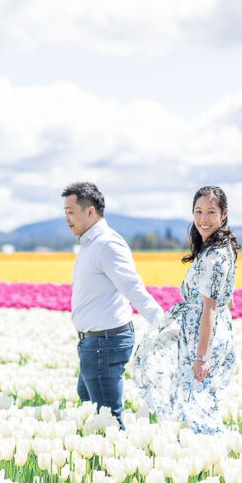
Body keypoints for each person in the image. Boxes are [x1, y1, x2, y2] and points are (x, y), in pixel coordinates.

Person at [133, 186, 239, 434]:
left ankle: (209, 457)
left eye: (211, 212)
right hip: (207, 334)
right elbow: (228, 300)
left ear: (224, 214)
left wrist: (201, 357)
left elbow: (209, 309)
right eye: (198, 211)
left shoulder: (215, 255)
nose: (203, 219)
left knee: (198, 409)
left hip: (203, 341)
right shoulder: (217, 249)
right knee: (200, 404)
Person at [63, 182, 164, 428]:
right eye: (64, 212)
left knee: (107, 421)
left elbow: (133, 287)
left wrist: (162, 324)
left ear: (90, 212)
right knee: (90, 407)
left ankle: (116, 463)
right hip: (93, 343)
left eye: (70, 212)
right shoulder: (90, 244)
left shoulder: (107, 244)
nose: (66, 219)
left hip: (104, 343)